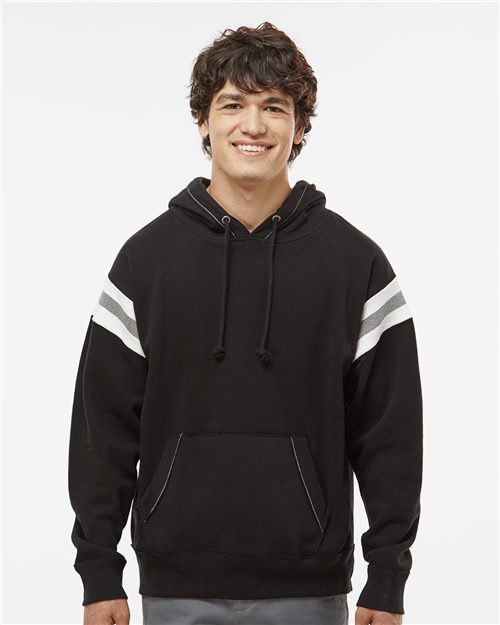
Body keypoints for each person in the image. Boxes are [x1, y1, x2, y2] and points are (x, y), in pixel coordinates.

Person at [68, 21, 423, 625]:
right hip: (175, 583)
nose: (252, 126)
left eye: (274, 107)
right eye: (232, 104)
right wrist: (99, 571)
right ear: (202, 122)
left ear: (300, 126)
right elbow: (102, 429)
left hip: (309, 587)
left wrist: (387, 577)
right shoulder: (145, 261)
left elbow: (391, 433)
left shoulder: (356, 264)